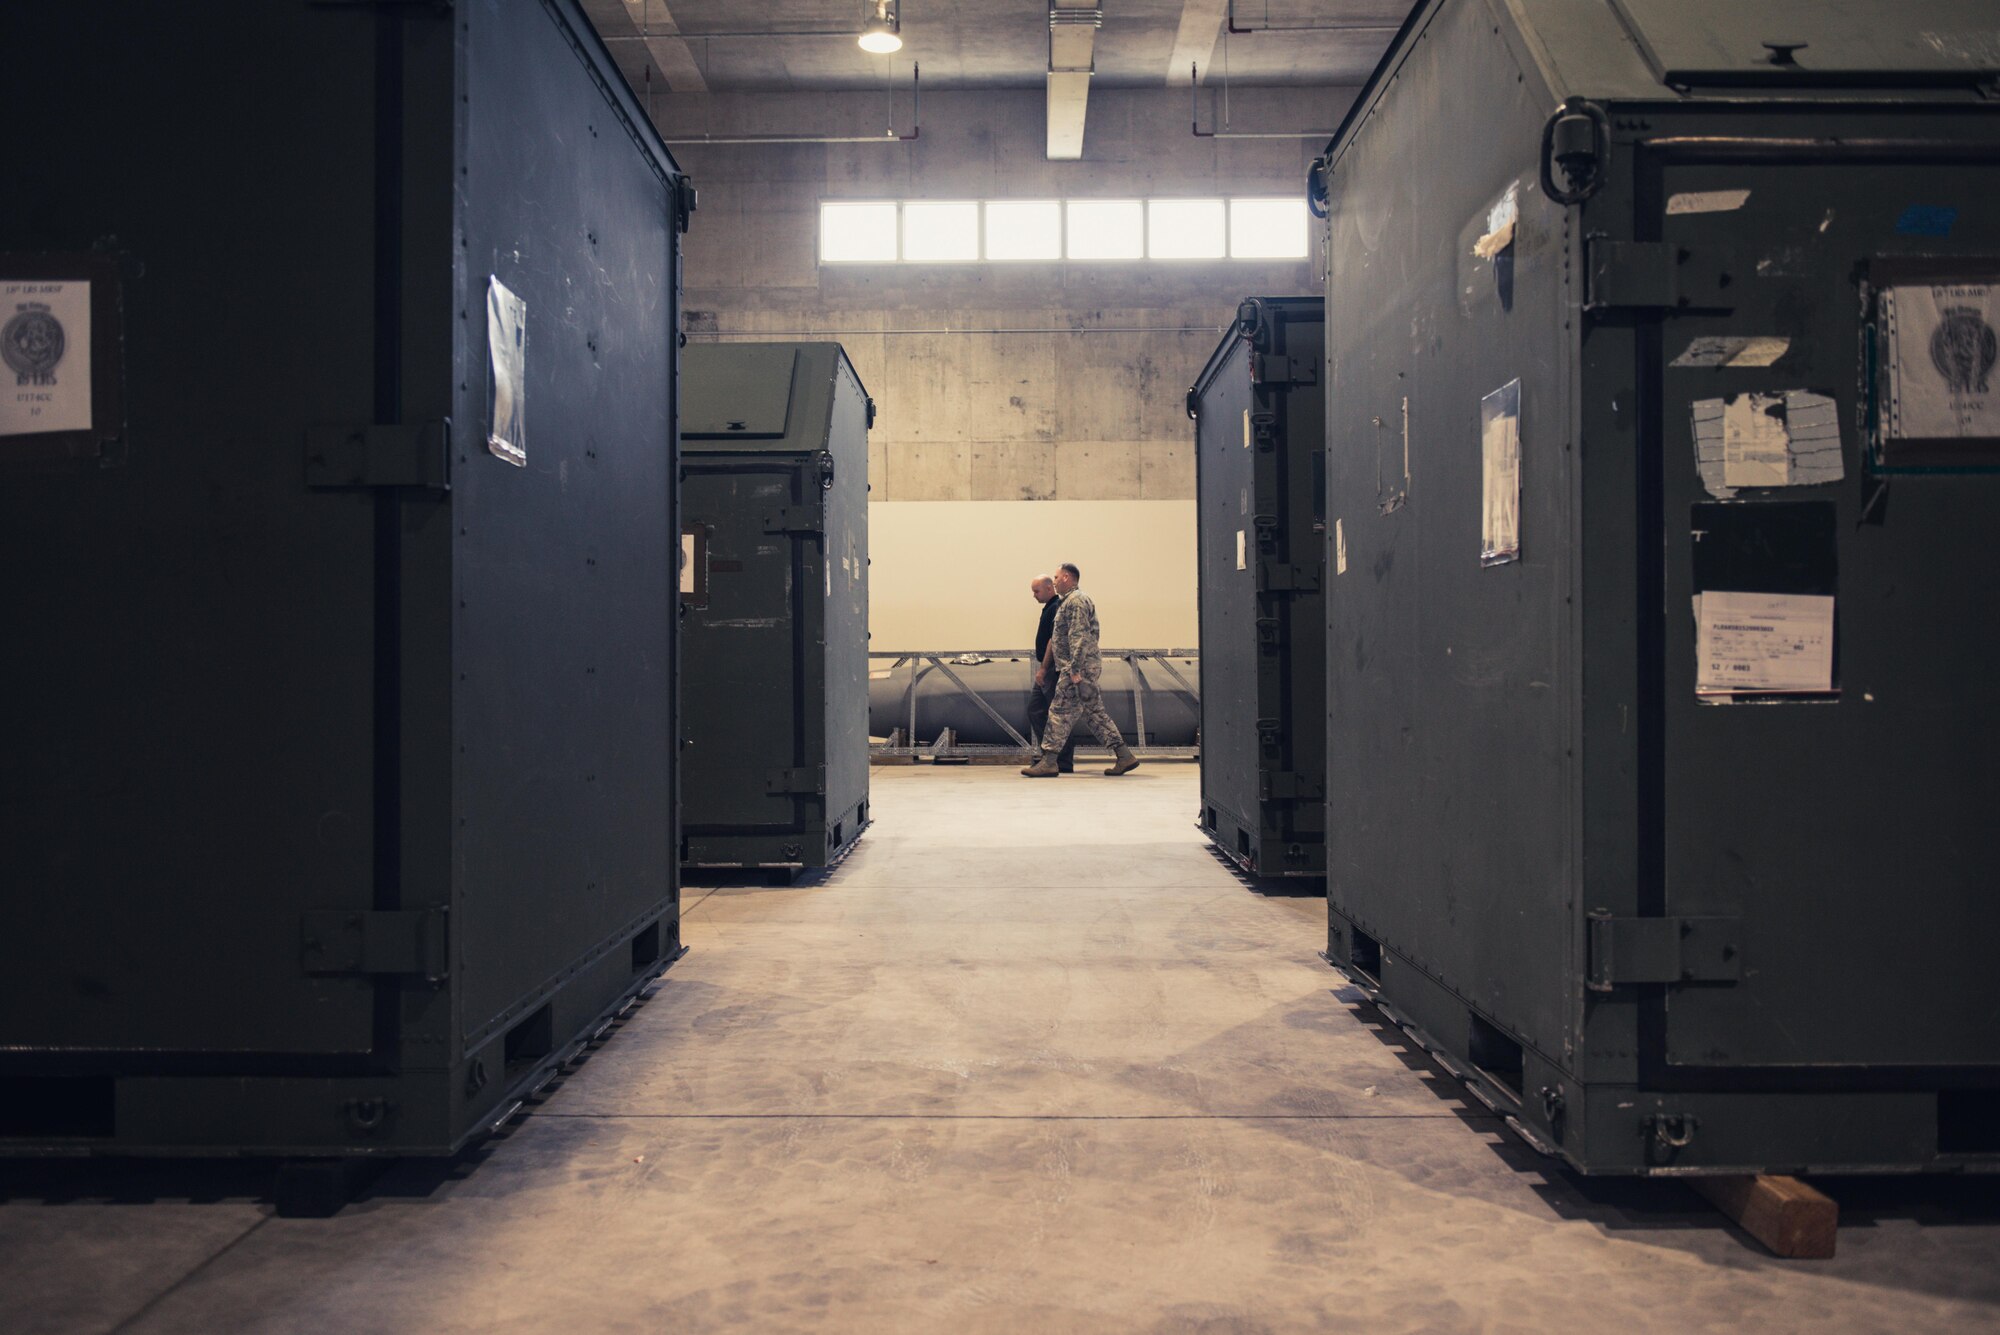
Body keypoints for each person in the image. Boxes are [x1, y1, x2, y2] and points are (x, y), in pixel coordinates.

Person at [1022, 562, 1139, 778]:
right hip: (1081, 667)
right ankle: (1124, 755)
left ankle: (1049, 762)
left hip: (1076, 668)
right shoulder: (1070, 601)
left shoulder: (1075, 602)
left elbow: (1079, 636)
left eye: (1056, 578)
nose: (1054, 582)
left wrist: (1074, 670)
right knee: (1095, 713)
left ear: (1066, 577)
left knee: (1058, 712)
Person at [1026, 574, 1076, 772]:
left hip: (1053, 670)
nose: (1034, 595)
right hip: (1049, 670)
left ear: (1049, 589)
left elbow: (1053, 641)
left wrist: (1044, 669)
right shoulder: (1050, 608)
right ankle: (1050, 757)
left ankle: (1060, 761)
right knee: (1038, 711)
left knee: (1057, 716)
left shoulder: (1056, 608)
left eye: (1036, 591)